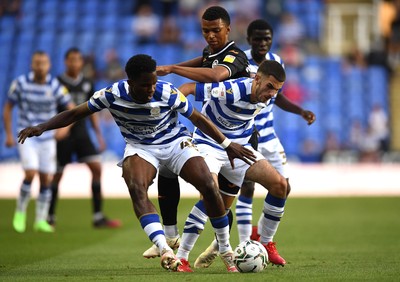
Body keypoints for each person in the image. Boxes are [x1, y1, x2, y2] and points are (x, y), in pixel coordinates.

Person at [17, 54, 256, 271]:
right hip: (141, 147)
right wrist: (42, 127)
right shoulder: (111, 94)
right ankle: (165, 249)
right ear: (129, 82)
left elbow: (198, 119)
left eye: (153, 82)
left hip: (175, 142)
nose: (151, 89)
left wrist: (227, 144)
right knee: (136, 187)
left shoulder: (168, 92)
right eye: (144, 85)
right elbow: (73, 114)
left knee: (208, 184)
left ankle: (225, 249)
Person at [142, 5, 250, 259]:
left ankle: (219, 244)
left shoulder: (236, 56)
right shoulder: (212, 51)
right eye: (205, 31)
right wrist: (172, 66)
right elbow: (204, 61)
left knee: (218, 200)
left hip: (239, 137)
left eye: (215, 31)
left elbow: (214, 74)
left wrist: (173, 69)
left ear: (228, 29)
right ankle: (171, 236)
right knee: (173, 171)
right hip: (210, 134)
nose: (210, 36)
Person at [174, 59, 289, 272]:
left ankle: (265, 243)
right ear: (257, 79)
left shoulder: (267, 97)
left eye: (277, 90)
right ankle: (181, 257)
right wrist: (171, 113)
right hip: (210, 144)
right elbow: (188, 88)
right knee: (211, 196)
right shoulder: (229, 90)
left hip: (240, 150)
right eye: (269, 87)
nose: (272, 93)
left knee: (280, 185)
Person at [48, 47, 121, 228]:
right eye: (71, 60)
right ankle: (49, 216)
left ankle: (97, 216)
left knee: (96, 168)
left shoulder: (87, 83)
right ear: (66, 62)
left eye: (77, 60)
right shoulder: (57, 83)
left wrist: (99, 136)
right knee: (57, 174)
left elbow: (92, 112)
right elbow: (50, 109)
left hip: (81, 133)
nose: (74, 63)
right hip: (62, 134)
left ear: (81, 62)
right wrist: (52, 131)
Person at [3, 50, 74, 233]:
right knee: (30, 173)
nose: (40, 66)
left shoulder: (55, 85)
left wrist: (64, 130)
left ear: (48, 65)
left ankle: (40, 220)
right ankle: (20, 213)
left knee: (45, 179)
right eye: (37, 63)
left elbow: (71, 109)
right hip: (26, 137)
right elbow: (8, 108)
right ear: (31, 65)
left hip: (47, 139)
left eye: (43, 63)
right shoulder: (20, 83)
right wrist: (9, 135)